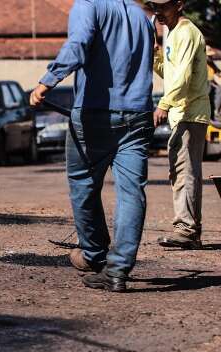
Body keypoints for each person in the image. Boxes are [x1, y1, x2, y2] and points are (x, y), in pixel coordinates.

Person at [30, 0, 155, 292]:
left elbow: (78, 44)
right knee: (131, 192)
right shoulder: (142, 17)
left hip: (94, 115)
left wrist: (46, 82)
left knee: (83, 183)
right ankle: (118, 269)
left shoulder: (88, 6)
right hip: (138, 115)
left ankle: (95, 255)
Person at [150, 0, 211, 249]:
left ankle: (187, 230)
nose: (158, 12)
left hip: (190, 112)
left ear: (179, 5)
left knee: (185, 171)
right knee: (180, 171)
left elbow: (184, 78)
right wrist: (155, 56)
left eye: (163, 6)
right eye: (154, 6)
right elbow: (173, 73)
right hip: (182, 112)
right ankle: (188, 229)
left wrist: (163, 104)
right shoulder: (172, 32)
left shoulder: (186, 32)